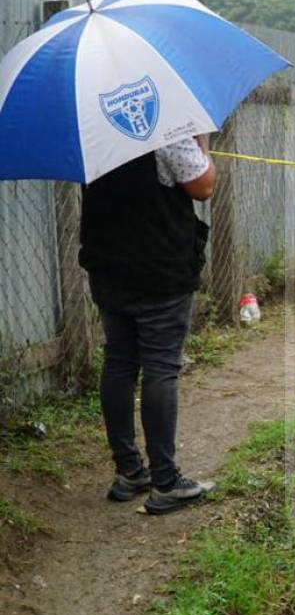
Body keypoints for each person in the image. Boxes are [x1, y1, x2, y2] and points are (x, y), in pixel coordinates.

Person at [79, 136, 216, 515]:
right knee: (160, 366)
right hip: (159, 268)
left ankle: (128, 472)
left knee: (119, 361)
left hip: (108, 266)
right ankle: (166, 482)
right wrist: (202, 142)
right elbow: (202, 186)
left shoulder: (90, 126)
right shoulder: (165, 124)